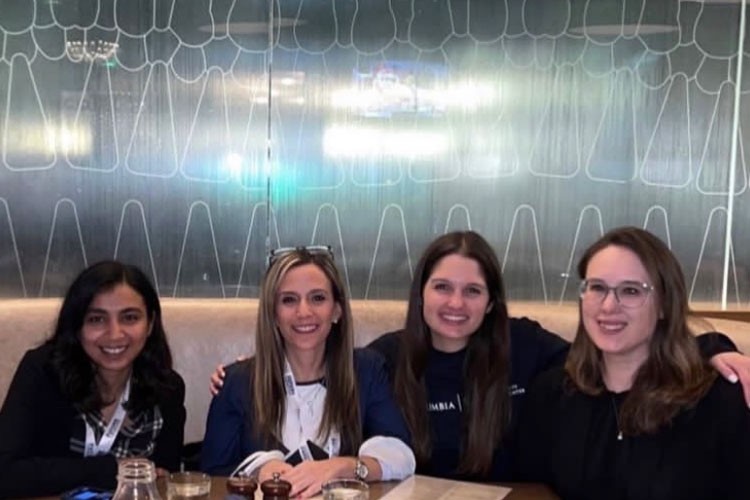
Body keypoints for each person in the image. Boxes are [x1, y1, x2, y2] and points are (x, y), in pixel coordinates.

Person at [211, 231, 750, 482]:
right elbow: (317, 362)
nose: (454, 303)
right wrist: (244, 373)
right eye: (441, 287)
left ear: (491, 300)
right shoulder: (384, 360)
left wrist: (713, 349)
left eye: (472, 291)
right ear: (420, 294)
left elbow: (616, 355)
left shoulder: (529, 349)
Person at [515, 227, 750, 499]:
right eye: (597, 288)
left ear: (664, 305)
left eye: (630, 291)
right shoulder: (551, 394)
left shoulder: (721, 400)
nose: (608, 306)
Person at [200, 246, 415, 498]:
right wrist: (260, 468)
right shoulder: (236, 382)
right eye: (289, 300)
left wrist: (344, 467)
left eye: (318, 298)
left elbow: (402, 457)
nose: (304, 312)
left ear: (337, 310)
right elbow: (212, 473)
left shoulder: (367, 370)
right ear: (273, 314)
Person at [0, 261, 186, 498]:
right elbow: (5, 473)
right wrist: (109, 469)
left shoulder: (167, 388)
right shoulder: (42, 372)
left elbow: (162, 482)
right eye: (97, 319)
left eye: (130, 318)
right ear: (77, 326)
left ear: (150, 324)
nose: (115, 334)